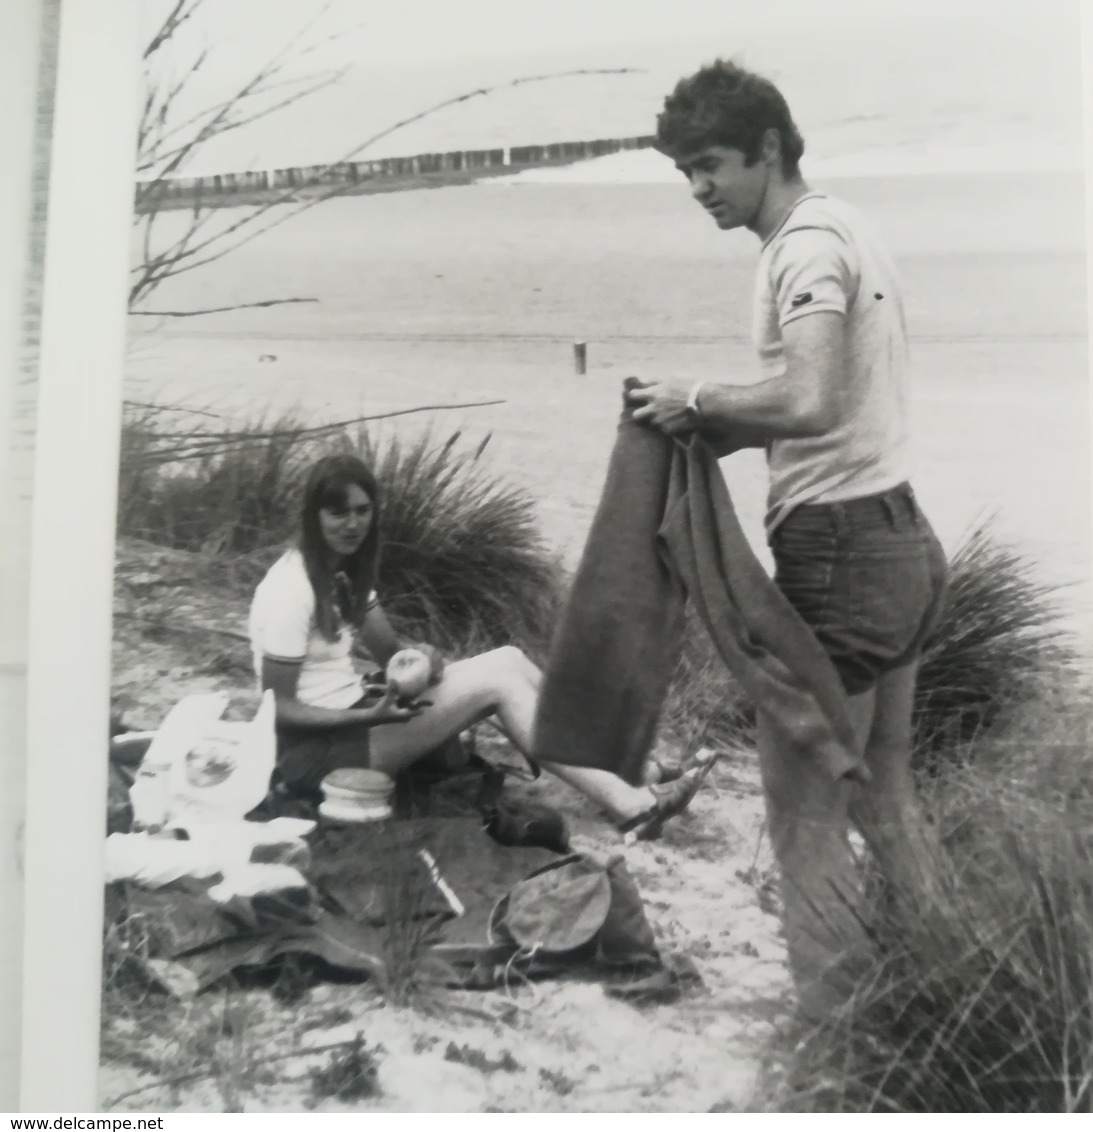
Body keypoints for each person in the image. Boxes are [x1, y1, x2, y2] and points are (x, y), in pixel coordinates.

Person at [627, 60, 948, 1014]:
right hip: (902, 538)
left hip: (845, 557)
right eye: (684, 172)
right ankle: (953, 980)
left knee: (802, 812)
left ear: (770, 146)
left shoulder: (802, 250)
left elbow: (809, 398)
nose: (699, 190)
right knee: (883, 794)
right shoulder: (847, 226)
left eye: (713, 165)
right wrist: (725, 428)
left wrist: (698, 398)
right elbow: (839, 403)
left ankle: (833, 1034)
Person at [248, 452, 712, 839]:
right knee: (499, 686)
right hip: (313, 755)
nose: (352, 525)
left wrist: (425, 658)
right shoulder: (294, 588)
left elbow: (392, 655)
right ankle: (632, 807)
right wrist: (364, 716)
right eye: (338, 512)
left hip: (355, 717)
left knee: (508, 659)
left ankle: (634, 768)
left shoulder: (344, 573)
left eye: (362, 511)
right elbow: (277, 708)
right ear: (314, 516)